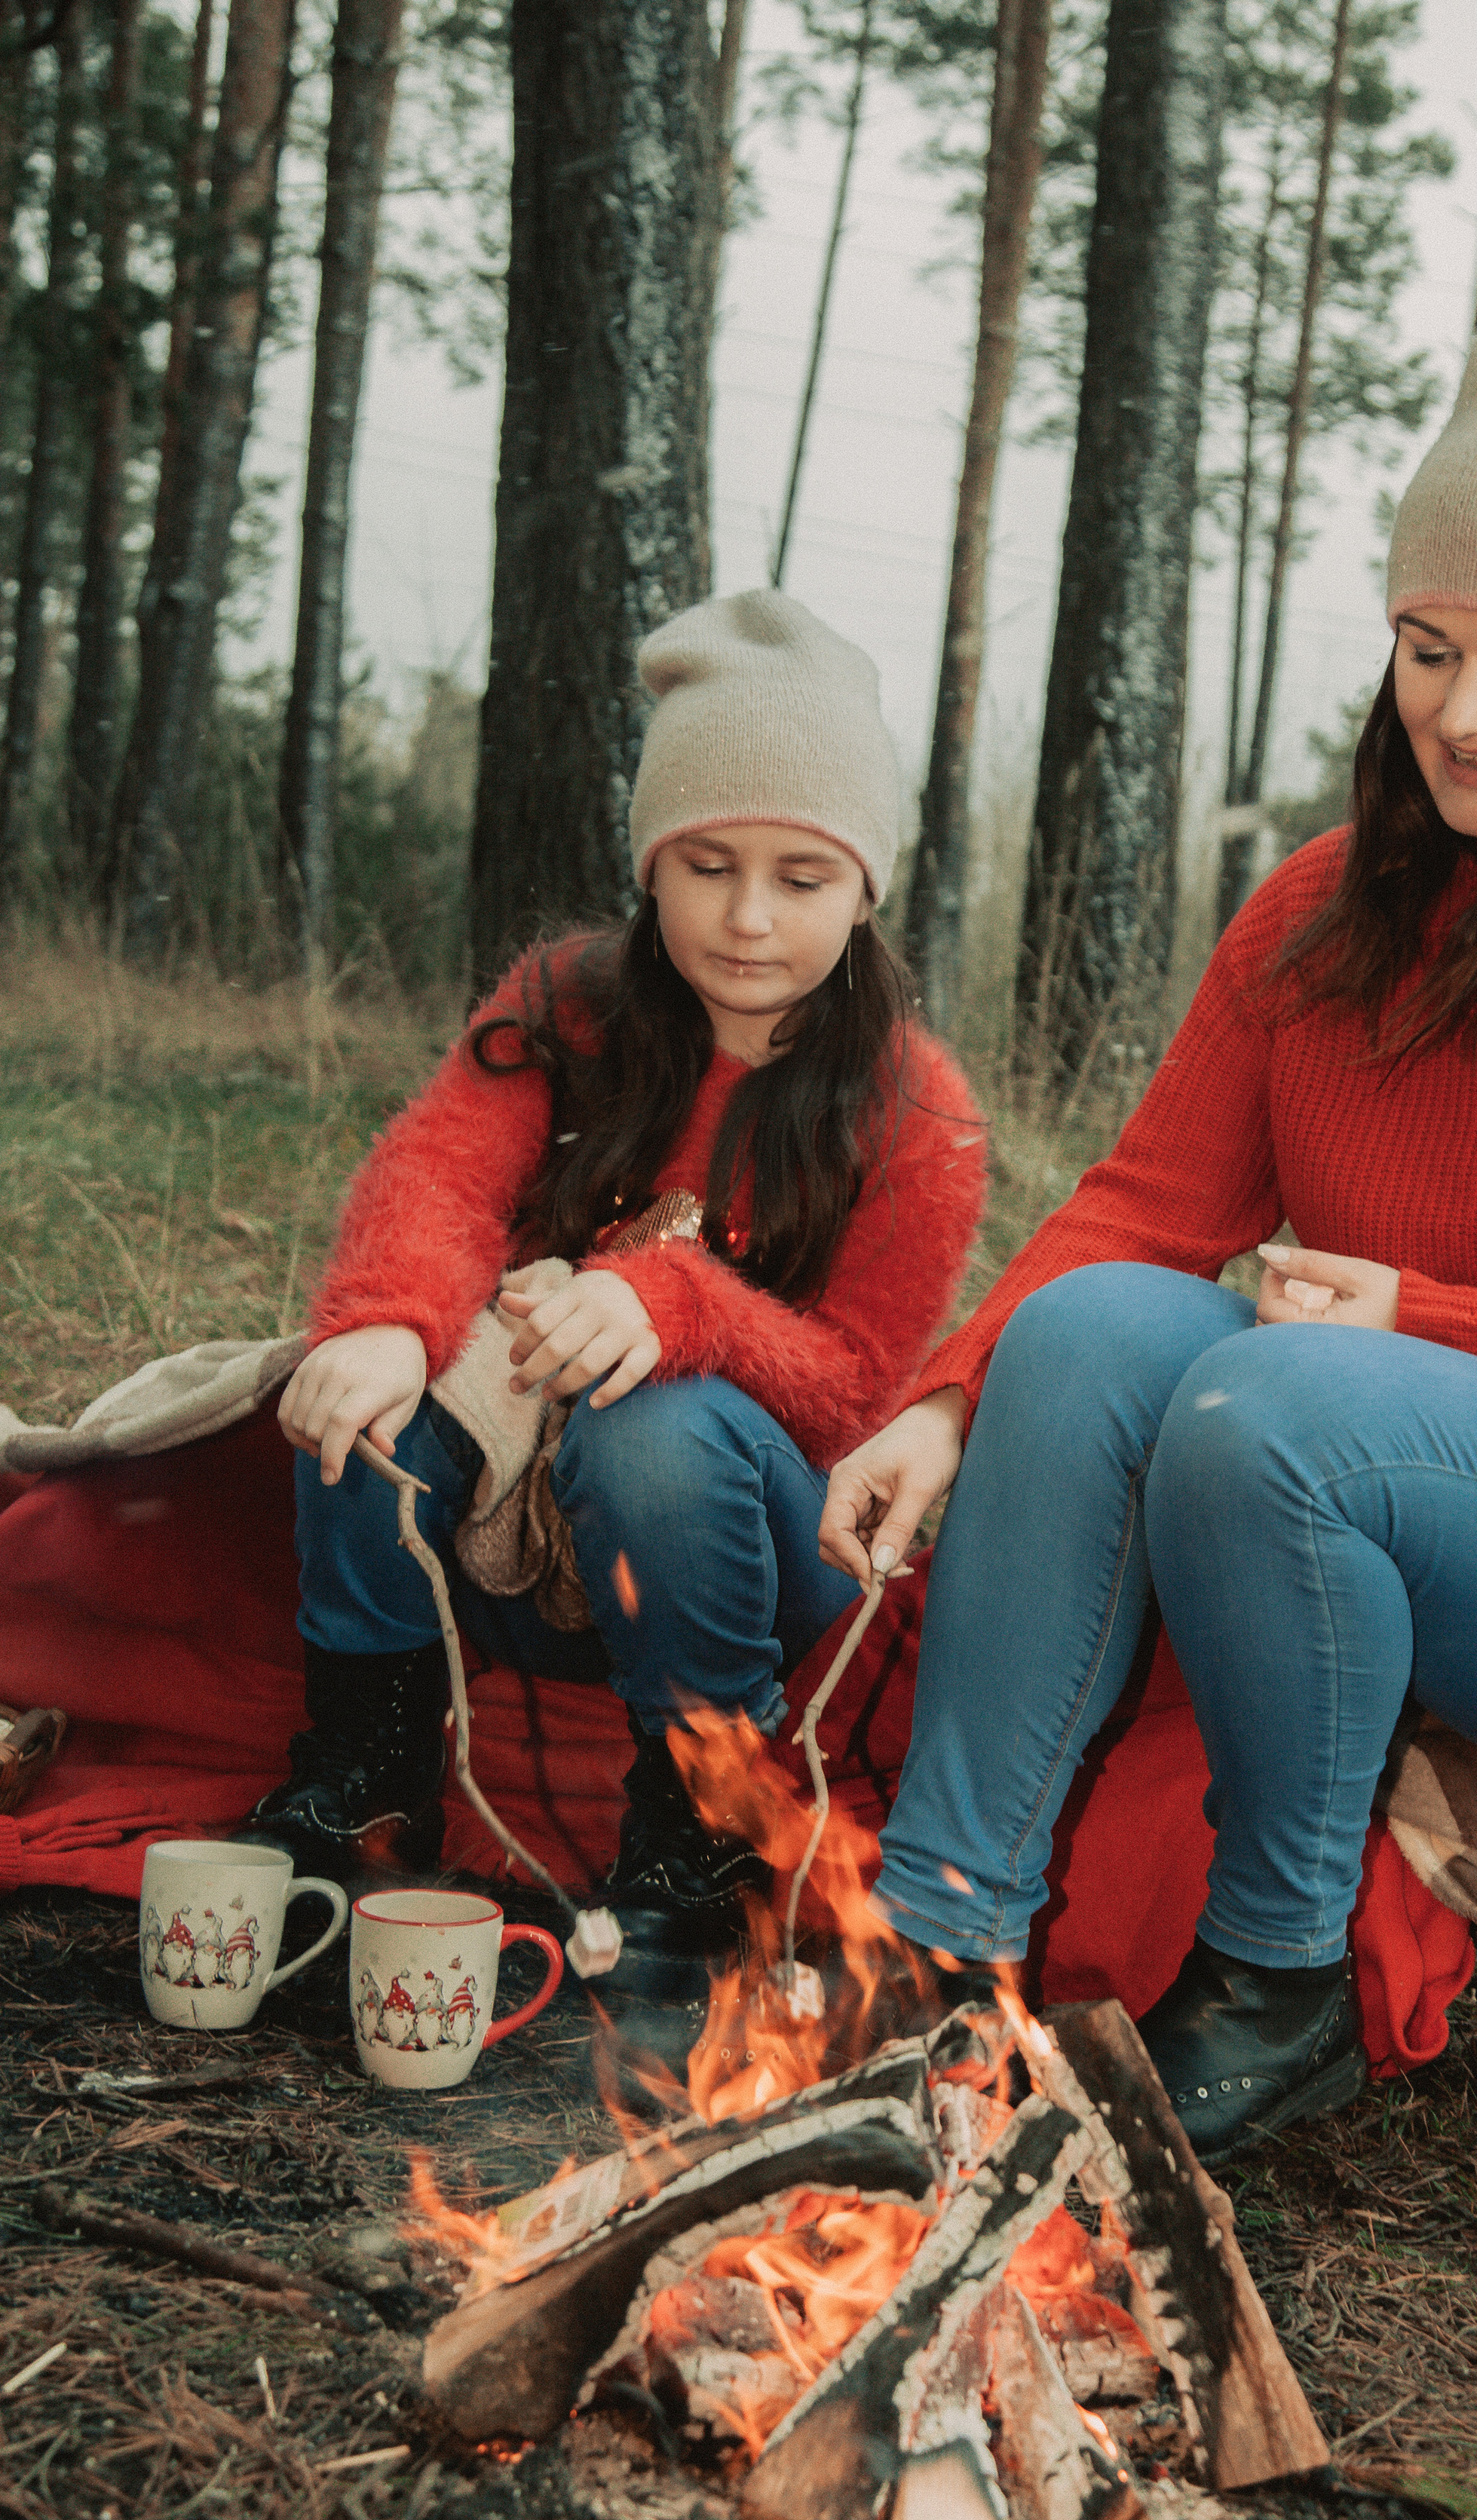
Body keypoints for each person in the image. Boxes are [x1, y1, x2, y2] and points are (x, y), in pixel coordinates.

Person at [819, 265, 1477, 2158]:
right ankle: (933, 1955)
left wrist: (1433, 1320)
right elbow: (1143, 1207)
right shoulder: (1317, 919)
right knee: (1091, 1336)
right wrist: (941, 1399)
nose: (1460, 710)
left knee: (1275, 1400)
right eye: (1425, 645)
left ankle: (1278, 1977)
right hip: (1389, 1461)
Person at [248, 592, 986, 2056]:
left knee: (658, 1416)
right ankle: (371, 1756)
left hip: (751, 1561)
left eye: (801, 875)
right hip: (513, 1539)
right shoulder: (567, 1002)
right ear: (653, 866)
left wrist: (673, 1302)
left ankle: (700, 1824)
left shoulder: (917, 1110)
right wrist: (389, 1321)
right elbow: (437, 1174)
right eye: (705, 866)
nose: (750, 916)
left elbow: (850, 1403)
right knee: (354, 1376)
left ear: (865, 890)